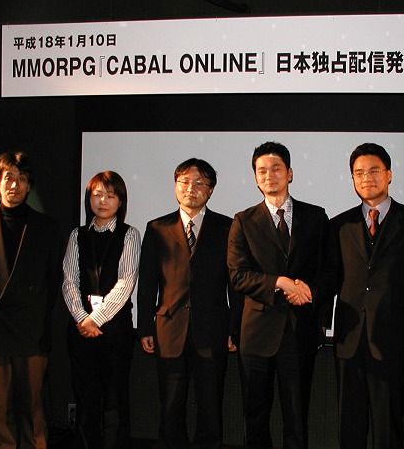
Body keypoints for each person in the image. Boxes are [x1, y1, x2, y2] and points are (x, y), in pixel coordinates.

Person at [323, 143, 404, 448]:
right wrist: (320, 323)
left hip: (392, 340)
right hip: (349, 340)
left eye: (374, 171)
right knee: (350, 427)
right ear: (352, 179)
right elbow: (330, 279)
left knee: (388, 427)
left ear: (389, 174)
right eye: (359, 173)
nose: (366, 178)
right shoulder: (339, 225)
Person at [227, 141, 329, 448]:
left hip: (300, 330)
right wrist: (281, 283)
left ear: (290, 173)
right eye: (262, 171)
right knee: (255, 416)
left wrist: (309, 292)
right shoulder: (243, 220)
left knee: (297, 416)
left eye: (276, 169)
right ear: (255, 178)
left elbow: (330, 270)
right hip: (256, 332)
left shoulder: (316, 217)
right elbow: (238, 275)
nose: (269, 175)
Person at [137, 158, 241, 449]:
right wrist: (144, 327)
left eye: (199, 183)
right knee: (170, 407)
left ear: (210, 190)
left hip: (213, 330)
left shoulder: (228, 227)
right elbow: (147, 283)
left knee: (211, 406)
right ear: (175, 186)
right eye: (184, 181)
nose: (191, 188)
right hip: (169, 329)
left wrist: (234, 329)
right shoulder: (157, 228)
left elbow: (235, 284)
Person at [0, 151, 62, 448]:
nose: (14, 185)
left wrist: (35, 314)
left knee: (33, 407)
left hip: (31, 328)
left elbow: (52, 280)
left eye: (22, 179)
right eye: (8, 178)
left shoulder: (47, 227)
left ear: (29, 185)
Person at [62, 171, 141, 449]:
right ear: (89, 199)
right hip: (81, 330)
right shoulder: (77, 235)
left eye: (110, 195)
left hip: (115, 331)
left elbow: (126, 282)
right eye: (97, 195)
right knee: (85, 399)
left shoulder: (130, 234)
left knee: (115, 401)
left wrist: (95, 319)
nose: (103, 201)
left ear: (120, 200)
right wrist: (82, 318)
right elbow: (69, 280)